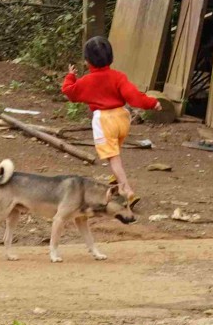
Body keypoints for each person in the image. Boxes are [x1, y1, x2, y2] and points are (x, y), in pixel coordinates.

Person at [61, 35, 158, 201]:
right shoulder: (118, 77)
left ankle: (126, 190)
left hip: (104, 121)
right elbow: (134, 97)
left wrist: (70, 76)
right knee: (115, 149)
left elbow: (69, 91)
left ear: (87, 61)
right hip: (122, 118)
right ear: (111, 57)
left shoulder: (87, 81)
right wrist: (152, 103)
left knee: (113, 157)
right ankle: (115, 180)